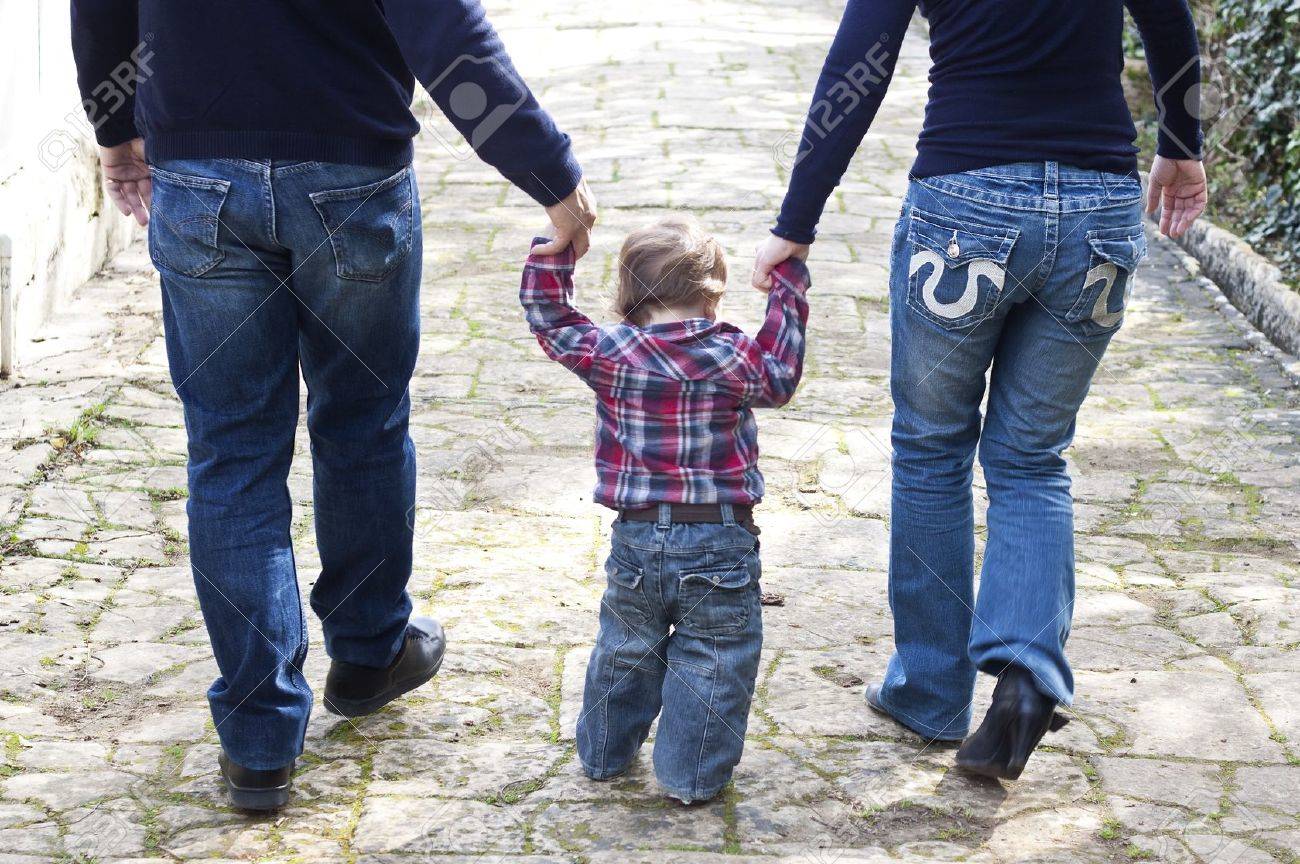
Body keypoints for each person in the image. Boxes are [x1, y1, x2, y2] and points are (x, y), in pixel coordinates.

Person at [69, 0, 597, 810]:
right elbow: (445, 36)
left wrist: (115, 127)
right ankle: (369, 651)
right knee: (364, 419)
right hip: (350, 176)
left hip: (200, 173)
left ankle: (259, 740)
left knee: (233, 449)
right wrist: (549, 174)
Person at [752, 0, 1206, 779]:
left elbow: (860, 65)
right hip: (1099, 206)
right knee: (1032, 457)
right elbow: (1169, 21)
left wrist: (797, 221)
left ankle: (929, 692)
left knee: (931, 449)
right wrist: (1181, 145)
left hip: (965, 207)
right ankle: (1027, 676)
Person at [520, 216, 810, 803]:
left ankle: (604, 755)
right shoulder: (732, 355)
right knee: (715, 658)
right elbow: (781, 377)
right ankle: (689, 776)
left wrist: (553, 257)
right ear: (711, 296)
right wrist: (787, 286)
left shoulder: (609, 352)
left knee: (626, 650)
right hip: (721, 542)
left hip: (636, 540)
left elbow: (550, 321)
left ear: (628, 296)